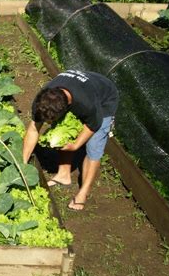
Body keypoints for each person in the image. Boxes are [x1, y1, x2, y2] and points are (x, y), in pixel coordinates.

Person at [22, 70, 119, 211]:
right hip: (81, 86)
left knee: (94, 147)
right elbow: (33, 130)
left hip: (104, 98)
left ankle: (83, 194)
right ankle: (63, 174)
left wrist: (75, 145)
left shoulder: (87, 104)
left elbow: (93, 126)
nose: (47, 123)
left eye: (51, 120)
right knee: (62, 132)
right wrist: (23, 164)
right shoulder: (42, 99)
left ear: (66, 108)